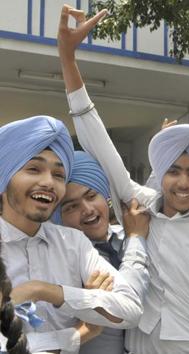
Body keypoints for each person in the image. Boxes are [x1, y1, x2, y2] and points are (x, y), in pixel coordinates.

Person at [58, 5, 189, 353]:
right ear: (160, 174)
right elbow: (98, 142)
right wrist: (68, 59)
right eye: (174, 171)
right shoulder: (140, 205)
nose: (183, 182)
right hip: (139, 345)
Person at [0, 115, 143, 353]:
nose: (48, 182)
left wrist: (46, 291)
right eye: (34, 169)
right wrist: (75, 335)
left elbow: (130, 309)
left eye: (58, 175)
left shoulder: (72, 243)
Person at [56, 151, 150, 354]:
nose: (88, 209)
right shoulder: (63, 261)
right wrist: (136, 238)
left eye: (91, 196)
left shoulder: (126, 235)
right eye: (71, 207)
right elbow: (129, 301)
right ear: (58, 218)